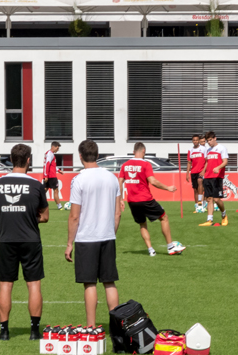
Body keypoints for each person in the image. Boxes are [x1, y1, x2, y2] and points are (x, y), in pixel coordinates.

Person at [0, 144, 50, 341]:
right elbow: (45, 217)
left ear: (11, 159)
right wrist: (30, 217)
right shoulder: (36, 185)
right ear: (28, 160)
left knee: (5, 285)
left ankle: (4, 331)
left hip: (6, 239)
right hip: (30, 239)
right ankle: (34, 332)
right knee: (33, 284)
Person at [64, 139, 122, 328]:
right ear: (97, 156)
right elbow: (118, 211)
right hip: (107, 236)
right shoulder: (112, 178)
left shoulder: (79, 179)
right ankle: (116, 327)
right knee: (109, 282)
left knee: (89, 284)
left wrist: (69, 243)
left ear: (80, 156)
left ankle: (91, 327)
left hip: (87, 237)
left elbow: (74, 216)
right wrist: (110, 232)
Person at [117, 142, 184, 257]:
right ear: (144, 151)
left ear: (133, 152)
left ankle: (151, 250)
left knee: (142, 224)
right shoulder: (146, 164)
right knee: (164, 218)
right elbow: (153, 181)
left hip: (132, 201)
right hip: (145, 199)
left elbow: (120, 182)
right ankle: (170, 247)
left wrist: (120, 199)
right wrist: (168, 188)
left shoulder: (125, 165)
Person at [198, 131, 229, 227]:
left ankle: (224, 215)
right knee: (209, 199)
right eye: (208, 141)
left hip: (217, 177)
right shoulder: (208, 150)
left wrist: (218, 168)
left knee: (216, 199)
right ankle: (209, 220)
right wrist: (203, 171)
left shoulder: (221, 148)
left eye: (210, 140)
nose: (209, 142)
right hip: (208, 176)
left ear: (215, 138)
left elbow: (225, 161)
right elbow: (207, 162)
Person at [188, 134, 206, 213]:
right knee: (195, 189)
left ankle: (201, 203)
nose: (195, 141)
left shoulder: (203, 149)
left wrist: (204, 170)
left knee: (200, 182)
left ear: (199, 141)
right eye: (194, 140)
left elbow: (207, 161)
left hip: (201, 171)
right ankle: (197, 207)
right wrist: (187, 173)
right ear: (192, 141)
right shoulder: (190, 150)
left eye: (196, 140)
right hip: (193, 172)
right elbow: (189, 162)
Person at [42, 141, 64, 209]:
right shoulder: (50, 154)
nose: (58, 149)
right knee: (56, 190)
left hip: (49, 175)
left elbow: (52, 165)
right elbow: (47, 164)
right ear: (53, 147)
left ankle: (36, 203)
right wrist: (45, 175)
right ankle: (59, 206)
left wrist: (59, 170)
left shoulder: (50, 154)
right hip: (51, 176)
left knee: (44, 190)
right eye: (57, 148)